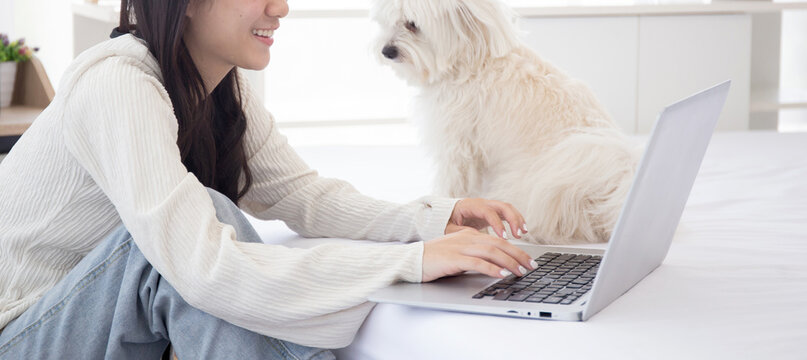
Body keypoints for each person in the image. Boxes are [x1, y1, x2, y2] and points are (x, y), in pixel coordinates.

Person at [0, 0, 537, 358]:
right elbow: (199, 266)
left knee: (212, 213)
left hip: (77, 316)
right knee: (165, 253)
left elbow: (300, 194)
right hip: (20, 331)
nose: (280, 7)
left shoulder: (219, 88)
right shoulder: (118, 83)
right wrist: (409, 263)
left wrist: (435, 219)